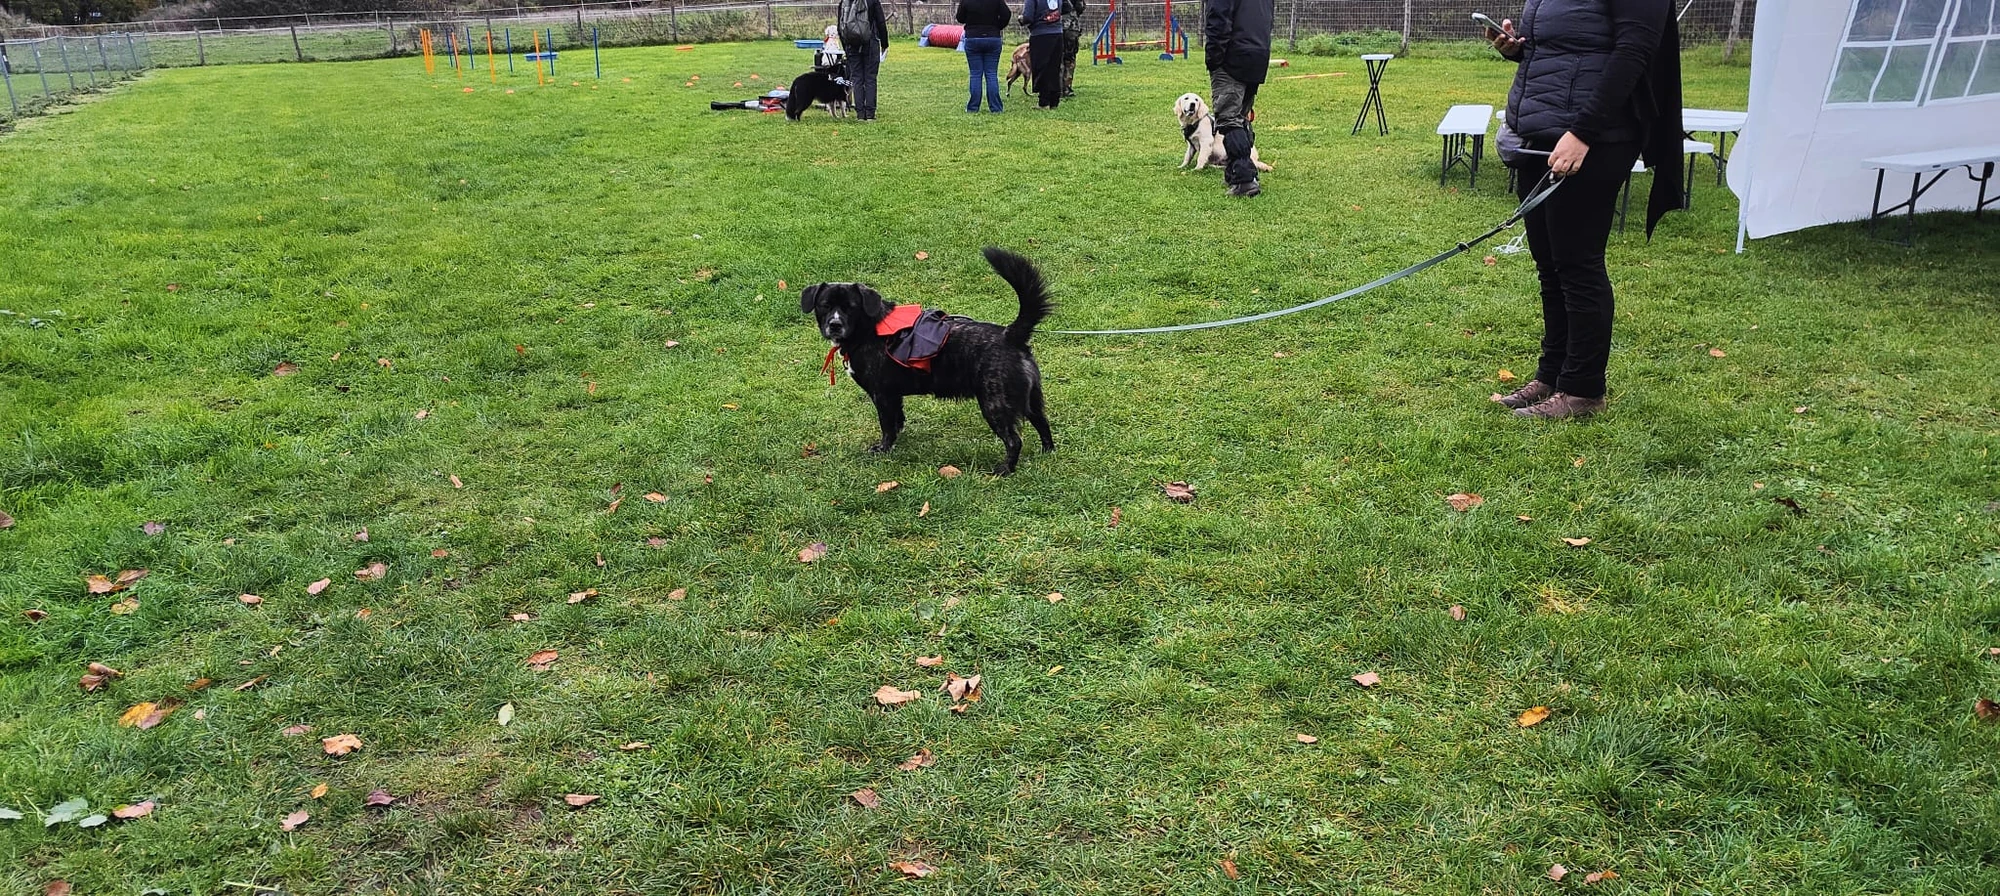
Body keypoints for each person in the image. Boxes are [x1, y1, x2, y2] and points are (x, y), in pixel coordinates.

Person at [1488, 0, 1682, 419]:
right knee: (1549, 263)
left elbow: (1633, 53)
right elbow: (1568, 46)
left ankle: (1583, 388)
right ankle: (1552, 373)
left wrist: (1583, 132)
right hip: (1540, 131)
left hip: (1594, 136)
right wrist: (1517, 48)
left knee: (1577, 265)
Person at [1203, 0, 1273, 197]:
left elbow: (1218, 19)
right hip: (1258, 54)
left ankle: (1245, 180)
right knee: (1241, 117)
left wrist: (1214, 58)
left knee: (1229, 118)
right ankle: (1236, 170)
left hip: (1232, 56)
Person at [837, 0, 890, 120]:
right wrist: (885, 43)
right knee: (870, 78)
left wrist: (846, 47)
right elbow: (881, 22)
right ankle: (870, 114)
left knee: (857, 78)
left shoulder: (844, 2)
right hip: (871, 43)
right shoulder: (873, 1)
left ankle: (860, 114)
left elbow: (840, 27)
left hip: (851, 45)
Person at [957, 0, 1011, 112]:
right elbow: (1007, 14)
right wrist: (997, 27)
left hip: (973, 38)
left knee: (975, 74)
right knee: (991, 74)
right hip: (992, 37)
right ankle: (996, 108)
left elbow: (960, 18)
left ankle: (973, 107)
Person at [1023, 0, 1066, 109]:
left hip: (1040, 34)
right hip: (1058, 33)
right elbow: (1067, 8)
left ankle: (1044, 102)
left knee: (1041, 67)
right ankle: (1054, 101)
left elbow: (1028, 17)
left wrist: (1020, 19)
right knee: (1054, 67)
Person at [1059, 0, 1086, 97]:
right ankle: (1066, 87)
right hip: (1071, 26)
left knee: (1057, 57)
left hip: (1056, 26)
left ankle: (1057, 87)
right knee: (1070, 58)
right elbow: (1081, 7)